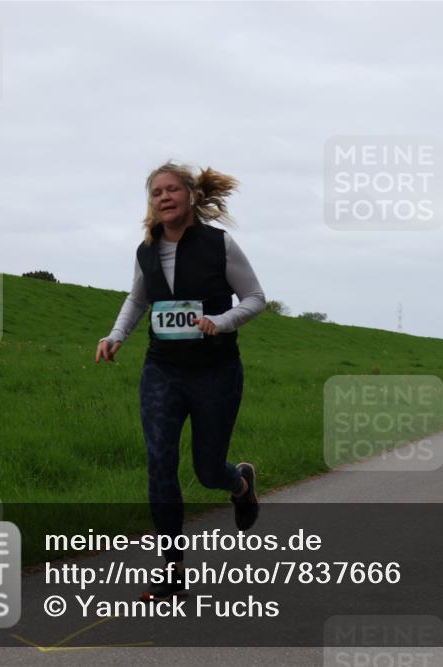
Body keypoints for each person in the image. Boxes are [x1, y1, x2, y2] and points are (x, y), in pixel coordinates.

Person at [96, 161, 266, 601]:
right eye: (156, 193)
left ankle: (240, 482)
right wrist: (116, 336)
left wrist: (222, 321)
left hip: (216, 371)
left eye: (172, 190)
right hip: (162, 371)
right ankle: (172, 571)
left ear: (190, 196)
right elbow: (138, 299)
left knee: (208, 471)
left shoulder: (219, 244)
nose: (164, 197)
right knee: (159, 463)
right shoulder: (146, 250)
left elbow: (255, 298)